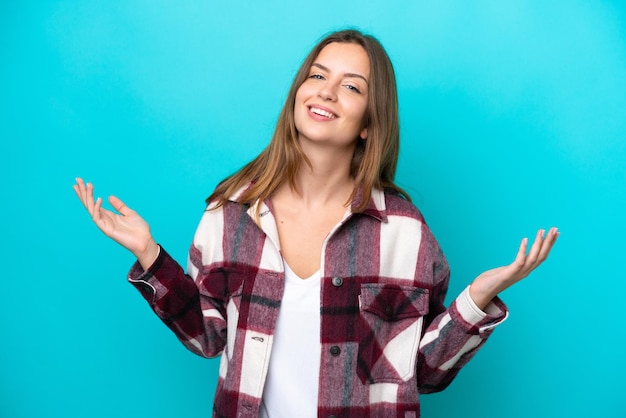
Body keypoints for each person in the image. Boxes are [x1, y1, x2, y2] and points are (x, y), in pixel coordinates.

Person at [73, 29, 558, 418]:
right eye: (317, 75)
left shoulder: (405, 233)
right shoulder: (229, 214)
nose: (326, 91)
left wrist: (476, 301)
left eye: (351, 86)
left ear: (370, 122)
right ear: (298, 92)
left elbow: (423, 375)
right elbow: (208, 338)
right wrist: (150, 257)